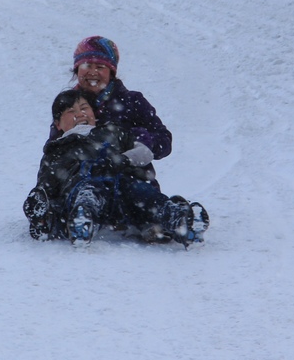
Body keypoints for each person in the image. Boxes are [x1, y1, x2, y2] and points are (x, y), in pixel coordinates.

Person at [24, 89, 209, 246]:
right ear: (58, 124)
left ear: (94, 114)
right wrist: (42, 204)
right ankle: (80, 221)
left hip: (121, 191)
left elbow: (144, 153)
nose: (80, 114)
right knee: (87, 190)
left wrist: (123, 160)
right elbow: (47, 187)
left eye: (84, 108)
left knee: (141, 192)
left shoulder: (112, 132)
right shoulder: (57, 150)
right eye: (71, 111)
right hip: (81, 190)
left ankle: (179, 220)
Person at [46, 36, 173, 187]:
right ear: (77, 69)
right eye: (87, 65)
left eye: (100, 67)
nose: (92, 72)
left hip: (132, 184)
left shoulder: (131, 102)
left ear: (111, 72)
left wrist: (138, 141)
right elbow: (52, 151)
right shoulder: (66, 105)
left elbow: (164, 139)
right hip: (80, 187)